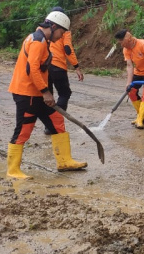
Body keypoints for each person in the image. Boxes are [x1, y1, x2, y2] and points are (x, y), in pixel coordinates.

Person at [6, 11, 87, 179]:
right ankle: (13, 170)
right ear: (54, 27)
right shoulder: (38, 41)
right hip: (27, 93)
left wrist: (45, 91)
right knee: (23, 131)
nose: (61, 37)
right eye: (61, 33)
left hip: (38, 93)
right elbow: (32, 69)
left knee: (57, 121)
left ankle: (65, 161)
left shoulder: (42, 39)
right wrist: (46, 92)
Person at [43, 6, 84, 135]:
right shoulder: (65, 31)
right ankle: (55, 122)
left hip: (45, 65)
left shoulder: (44, 29)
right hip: (58, 66)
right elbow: (67, 49)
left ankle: (48, 126)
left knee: (48, 96)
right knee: (65, 93)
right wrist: (76, 66)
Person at [115, 29, 144, 130]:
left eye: (122, 42)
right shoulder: (126, 50)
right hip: (138, 72)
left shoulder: (143, 45)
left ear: (128, 39)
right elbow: (130, 66)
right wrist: (128, 83)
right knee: (131, 91)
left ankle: (139, 119)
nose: (121, 45)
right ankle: (142, 116)